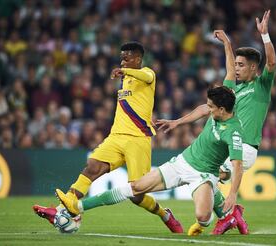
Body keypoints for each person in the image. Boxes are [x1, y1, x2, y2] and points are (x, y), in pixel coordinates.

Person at [33, 41, 183, 233]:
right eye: (121, 57)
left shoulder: (147, 74)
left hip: (138, 139)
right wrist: (125, 73)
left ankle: (165, 215)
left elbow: (145, 75)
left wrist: (126, 71)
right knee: (92, 166)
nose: (123, 61)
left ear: (138, 59)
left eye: (127, 57)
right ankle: (65, 208)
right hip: (116, 136)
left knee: (137, 194)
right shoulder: (126, 79)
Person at [56, 85, 244, 236]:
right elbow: (202, 109)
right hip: (182, 163)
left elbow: (237, 165)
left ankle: (215, 202)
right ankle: (78, 206)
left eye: (211, 107)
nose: (208, 109)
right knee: (136, 188)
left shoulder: (233, 132)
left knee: (203, 217)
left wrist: (233, 194)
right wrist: (177, 122)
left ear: (222, 109)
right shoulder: (217, 110)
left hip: (203, 175)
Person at [156, 10, 276, 235]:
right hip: (227, 147)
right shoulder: (230, 91)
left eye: (242, 65)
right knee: (209, 173)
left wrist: (265, 35)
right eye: (237, 64)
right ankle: (234, 216)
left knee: (211, 174)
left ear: (253, 68)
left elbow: (271, 63)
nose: (237, 68)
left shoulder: (261, 86)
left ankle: (228, 215)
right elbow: (215, 92)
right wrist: (227, 45)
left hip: (246, 147)